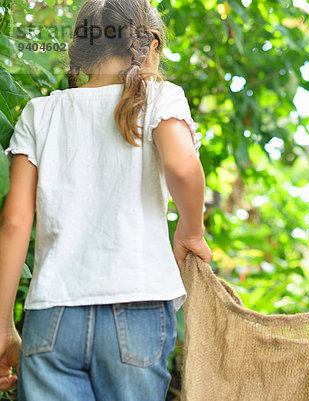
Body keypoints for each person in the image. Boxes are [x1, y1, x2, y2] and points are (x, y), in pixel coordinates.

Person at [0, 0, 212, 399]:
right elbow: (183, 169)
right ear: (149, 45)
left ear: (78, 50)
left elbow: (14, 222)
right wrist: (191, 229)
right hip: (138, 308)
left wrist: (1, 327)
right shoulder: (161, 98)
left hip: (52, 314)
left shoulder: (40, 112)